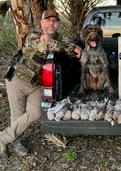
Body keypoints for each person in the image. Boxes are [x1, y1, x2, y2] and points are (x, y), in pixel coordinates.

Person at [0, 10, 82, 158]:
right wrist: (70, 48)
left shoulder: (59, 38)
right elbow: (48, 45)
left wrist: (77, 47)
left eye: (55, 21)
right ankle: (11, 141)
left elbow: (67, 44)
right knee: (17, 116)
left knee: (36, 112)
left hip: (36, 84)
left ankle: (4, 138)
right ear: (41, 22)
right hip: (18, 80)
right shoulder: (33, 35)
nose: (51, 23)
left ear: (58, 24)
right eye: (48, 20)